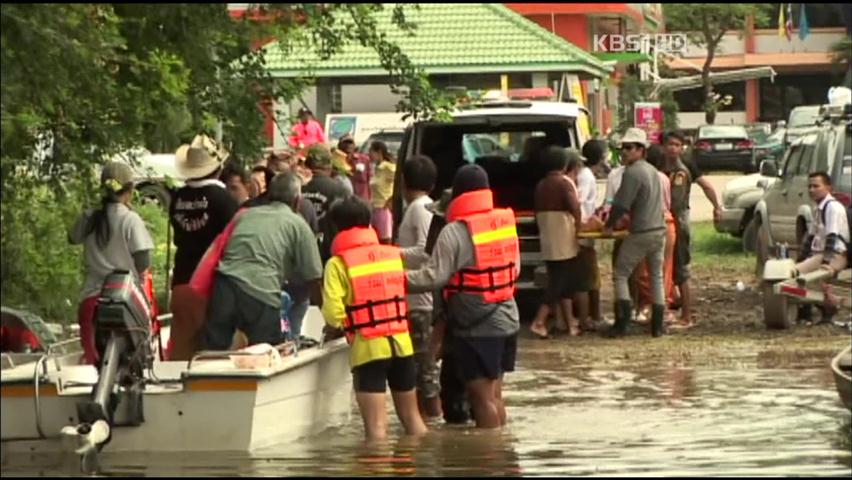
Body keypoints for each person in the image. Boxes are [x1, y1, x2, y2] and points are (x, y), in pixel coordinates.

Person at [406, 164, 520, 429]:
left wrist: (394, 279)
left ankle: (488, 460)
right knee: (494, 396)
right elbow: (515, 269)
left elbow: (432, 277)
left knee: (481, 400)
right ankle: (503, 458)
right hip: (507, 318)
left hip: (478, 328)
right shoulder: (503, 223)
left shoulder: (454, 231)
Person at [320, 196, 428, 441]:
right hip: (402, 345)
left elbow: (333, 314)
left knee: (376, 429)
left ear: (337, 227)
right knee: (413, 420)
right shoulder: (391, 255)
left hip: (369, 350)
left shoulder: (337, 264)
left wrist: (339, 329)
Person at [205, 173, 323, 349]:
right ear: (297, 201)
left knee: (214, 353)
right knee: (265, 354)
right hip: (261, 292)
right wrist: (331, 321)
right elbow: (314, 278)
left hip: (224, 285)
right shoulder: (297, 224)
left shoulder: (245, 216)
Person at [69, 162, 154, 364]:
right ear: (130, 191)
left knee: (93, 366)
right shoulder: (130, 220)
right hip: (124, 303)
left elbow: (72, 238)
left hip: (91, 300)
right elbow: (143, 261)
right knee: (132, 363)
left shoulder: (90, 218)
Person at [168, 135, 239, 360]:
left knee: (181, 351)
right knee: (211, 353)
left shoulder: (177, 197)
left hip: (181, 280)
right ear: (217, 167)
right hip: (211, 284)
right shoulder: (223, 199)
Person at [603, 128, 667, 338]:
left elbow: (621, 204)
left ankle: (623, 323)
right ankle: (657, 327)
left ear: (641, 150)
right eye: (623, 148)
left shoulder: (632, 172)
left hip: (642, 231)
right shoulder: (651, 171)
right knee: (656, 276)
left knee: (621, 273)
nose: (625, 152)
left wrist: (609, 225)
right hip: (659, 230)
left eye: (629, 148)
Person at [662, 130, 722, 327]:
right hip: (665, 221)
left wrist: (716, 207)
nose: (672, 148)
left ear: (682, 148)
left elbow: (705, 187)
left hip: (678, 221)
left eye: (676, 145)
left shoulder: (683, 168)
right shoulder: (659, 165)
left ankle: (686, 315)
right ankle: (673, 302)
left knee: (681, 268)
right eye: (669, 144)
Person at [397, 155, 441, 418]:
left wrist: (390, 253)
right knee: (418, 371)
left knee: (424, 372)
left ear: (403, 182)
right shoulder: (423, 207)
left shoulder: (420, 209)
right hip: (417, 300)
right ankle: (427, 424)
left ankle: (434, 423)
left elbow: (425, 253)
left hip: (419, 301)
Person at [529, 147, 586, 339]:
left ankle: (570, 324)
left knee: (560, 279)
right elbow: (575, 208)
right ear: (564, 165)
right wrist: (578, 229)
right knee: (559, 282)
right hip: (563, 236)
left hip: (548, 237)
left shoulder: (541, 185)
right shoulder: (564, 183)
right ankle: (539, 321)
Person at [794, 172, 850, 324]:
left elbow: (832, 236)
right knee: (797, 272)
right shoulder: (818, 208)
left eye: (816, 186)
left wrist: (825, 261)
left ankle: (810, 313)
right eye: (810, 186)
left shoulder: (833, 207)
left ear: (828, 188)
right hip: (820, 253)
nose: (812, 190)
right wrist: (800, 258)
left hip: (836, 254)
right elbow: (810, 237)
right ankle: (815, 311)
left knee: (796, 276)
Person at [636, 144, 677, 325]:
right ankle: (663, 306)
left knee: (644, 268)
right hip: (667, 222)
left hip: (648, 223)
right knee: (665, 268)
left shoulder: (642, 176)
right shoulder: (665, 178)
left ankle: (647, 304)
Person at [578, 140, 610, 327]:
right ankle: (592, 317)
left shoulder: (586, 174)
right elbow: (579, 202)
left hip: (586, 228)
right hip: (584, 232)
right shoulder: (586, 176)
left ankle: (593, 315)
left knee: (591, 275)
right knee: (589, 277)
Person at [302, 143, 350, 263]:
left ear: (307, 164)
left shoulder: (296, 188)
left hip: (303, 253)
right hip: (330, 253)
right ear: (329, 165)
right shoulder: (340, 189)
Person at [369, 141, 397, 244]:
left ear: (379, 152)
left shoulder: (388, 168)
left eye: (371, 151)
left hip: (383, 208)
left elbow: (400, 181)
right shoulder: (377, 168)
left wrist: (391, 199)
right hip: (374, 208)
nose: (369, 155)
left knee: (385, 239)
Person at [339, 135, 372, 202]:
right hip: (344, 201)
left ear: (354, 145)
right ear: (339, 146)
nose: (348, 145)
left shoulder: (364, 160)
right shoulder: (337, 161)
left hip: (362, 200)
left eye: (350, 143)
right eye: (345, 143)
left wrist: (370, 199)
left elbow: (370, 181)